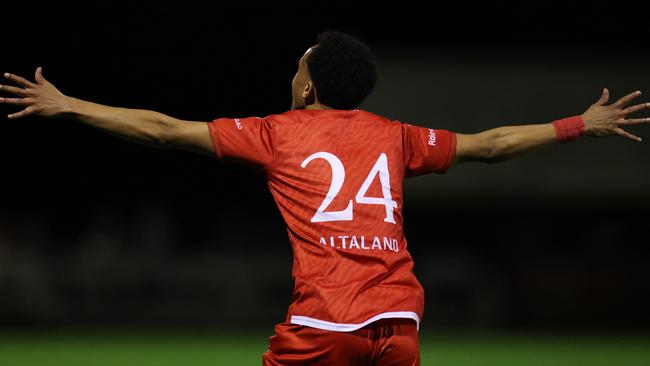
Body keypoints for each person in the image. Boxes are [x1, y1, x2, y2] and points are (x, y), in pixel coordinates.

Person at [1, 30, 648, 366]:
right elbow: (493, 144)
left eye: (299, 66)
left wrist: (69, 106)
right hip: (400, 327)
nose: (293, 74)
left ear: (308, 87)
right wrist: (576, 125)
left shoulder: (276, 133)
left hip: (324, 324)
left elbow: (164, 129)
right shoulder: (398, 138)